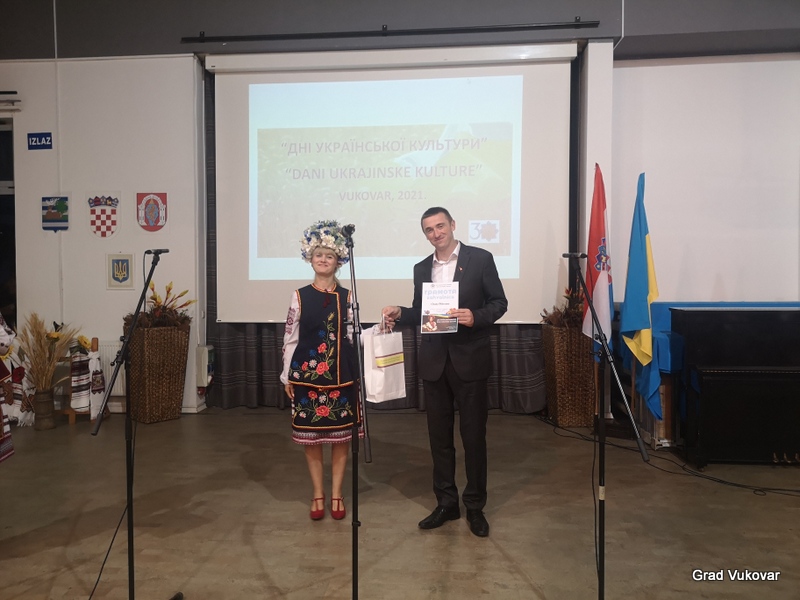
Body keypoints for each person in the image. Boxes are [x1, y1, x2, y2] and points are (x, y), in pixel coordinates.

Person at [382, 207, 507, 537]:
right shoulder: (421, 268)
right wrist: (400, 312)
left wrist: (475, 316)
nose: (436, 233)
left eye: (440, 226)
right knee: (439, 440)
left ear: (452, 225)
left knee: (473, 438)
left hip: (470, 360)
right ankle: (447, 503)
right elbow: (422, 313)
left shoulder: (480, 259)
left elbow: (499, 303)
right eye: (429, 229)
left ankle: (475, 506)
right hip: (435, 361)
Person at [281, 220, 361, 521]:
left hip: (342, 375)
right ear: (310, 258)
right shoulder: (299, 295)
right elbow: (290, 337)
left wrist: (379, 331)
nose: (323, 260)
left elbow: (353, 337)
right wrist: (286, 375)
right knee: (311, 438)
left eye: (329, 256)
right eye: (319, 255)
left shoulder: (348, 296)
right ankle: (318, 493)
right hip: (307, 376)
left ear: (339, 261)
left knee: (341, 438)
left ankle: (337, 493)